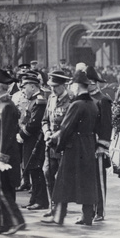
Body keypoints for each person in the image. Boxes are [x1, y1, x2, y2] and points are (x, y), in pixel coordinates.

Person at [42, 70, 99, 226]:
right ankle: (87, 217)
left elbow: (66, 129)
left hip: (74, 148)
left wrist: (56, 144)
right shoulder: (92, 104)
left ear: (76, 86)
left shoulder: (76, 105)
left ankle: (58, 216)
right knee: (87, 183)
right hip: (88, 145)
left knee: (63, 183)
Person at [0, 69, 26, 235]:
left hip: (6, 156)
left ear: (0, 88)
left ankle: (17, 221)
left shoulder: (7, 106)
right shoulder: (1, 105)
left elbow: (7, 134)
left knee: (3, 190)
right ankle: (3, 223)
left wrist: (2, 157)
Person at [40, 70, 72, 217]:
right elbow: (45, 120)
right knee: (47, 173)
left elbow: (69, 125)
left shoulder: (71, 100)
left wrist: (55, 136)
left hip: (64, 145)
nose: (52, 89)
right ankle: (52, 206)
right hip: (50, 145)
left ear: (63, 85)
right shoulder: (51, 98)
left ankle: (61, 208)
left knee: (63, 178)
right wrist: (47, 133)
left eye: (56, 86)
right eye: (51, 86)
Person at [17, 73, 48, 211]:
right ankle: (34, 199)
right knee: (31, 168)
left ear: (33, 86)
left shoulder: (39, 101)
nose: (23, 90)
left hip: (36, 140)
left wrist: (22, 135)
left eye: (25, 87)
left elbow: (34, 123)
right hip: (30, 140)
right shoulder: (32, 100)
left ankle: (41, 201)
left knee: (36, 169)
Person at [86, 66, 113, 222]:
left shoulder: (103, 100)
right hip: (85, 144)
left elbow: (106, 125)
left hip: (98, 146)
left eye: (88, 83)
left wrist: (103, 146)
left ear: (93, 83)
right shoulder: (84, 99)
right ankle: (89, 209)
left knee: (99, 179)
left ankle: (100, 211)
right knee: (88, 178)